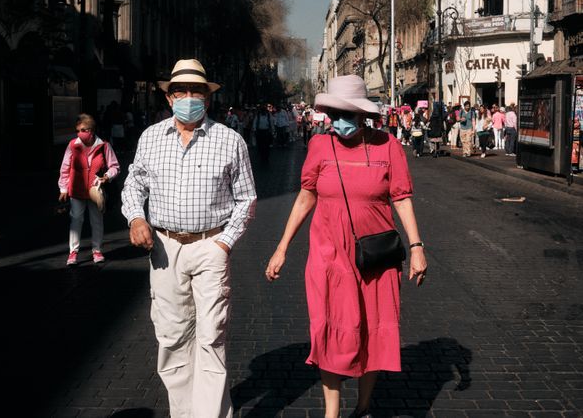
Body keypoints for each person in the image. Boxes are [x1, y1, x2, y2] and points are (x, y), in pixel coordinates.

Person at [265, 75, 427, 418]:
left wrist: (416, 246)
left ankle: (363, 406)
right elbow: (306, 197)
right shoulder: (319, 147)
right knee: (329, 328)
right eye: (334, 114)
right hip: (328, 254)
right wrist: (282, 248)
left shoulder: (388, 146)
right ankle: (331, 413)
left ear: (363, 116)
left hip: (376, 256)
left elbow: (401, 199)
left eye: (347, 115)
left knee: (372, 328)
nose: (339, 122)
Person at [121, 59, 257, 418]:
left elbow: (246, 198)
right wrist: (136, 217)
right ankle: (183, 412)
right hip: (165, 249)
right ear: (169, 98)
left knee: (211, 336)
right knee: (172, 336)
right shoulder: (150, 138)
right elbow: (134, 183)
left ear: (207, 98)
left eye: (196, 91)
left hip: (210, 245)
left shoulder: (230, 140)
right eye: (180, 91)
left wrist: (224, 243)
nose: (188, 97)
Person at [58, 114, 120, 266]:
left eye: (83, 130)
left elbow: (115, 166)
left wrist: (107, 176)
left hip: (95, 190)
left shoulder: (104, 145)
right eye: (78, 130)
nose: (80, 133)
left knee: (96, 220)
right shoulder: (73, 145)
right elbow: (65, 167)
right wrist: (63, 188)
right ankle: (73, 252)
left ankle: (97, 250)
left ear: (91, 130)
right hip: (77, 189)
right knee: (76, 219)